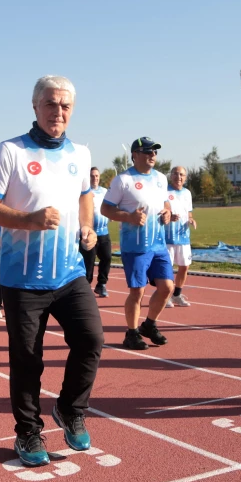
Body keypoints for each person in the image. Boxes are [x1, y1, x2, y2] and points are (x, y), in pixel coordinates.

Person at [0, 75, 103, 468]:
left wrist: (87, 226)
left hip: (68, 274)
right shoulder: (11, 151)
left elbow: (84, 194)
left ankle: (69, 409)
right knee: (28, 361)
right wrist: (28, 220)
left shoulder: (80, 153)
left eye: (65, 106)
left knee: (91, 339)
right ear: (35, 107)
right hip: (21, 278)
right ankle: (28, 432)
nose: (58, 111)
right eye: (51, 104)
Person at [101, 138, 174, 351]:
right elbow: (106, 209)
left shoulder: (161, 178)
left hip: (158, 245)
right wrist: (129, 217)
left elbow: (165, 202)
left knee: (167, 287)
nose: (152, 155)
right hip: (136, 246)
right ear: (135, 154)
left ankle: (149, 325)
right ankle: (131, 333)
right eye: (147, 151)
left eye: (155, 152)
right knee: (138, 292)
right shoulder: (123, 180)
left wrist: (168, 212)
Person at [165, 165, 196, 307]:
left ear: (185, 177)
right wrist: (169, 217)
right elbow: (160, 212)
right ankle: (165, 296)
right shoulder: (164, 192)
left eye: (182, 175)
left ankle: (177, 295)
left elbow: (189, 213)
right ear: (171, 176)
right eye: (176, 174)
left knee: (184, 266)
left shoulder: (187, 193)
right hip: (168, 238)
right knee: (167, 269)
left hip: (184, 237)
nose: (179, 177)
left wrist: (191, 219)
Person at [80, 166, 112, 297]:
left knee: (107, 258)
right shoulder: (84, 193)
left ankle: (101, 284)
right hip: (89, 233)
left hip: (104, 232)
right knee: (89, 261)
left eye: (97, 176)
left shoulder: (105, 192)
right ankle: (86, 286)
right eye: (92, 176)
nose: (95, 178)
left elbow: (110, 206)